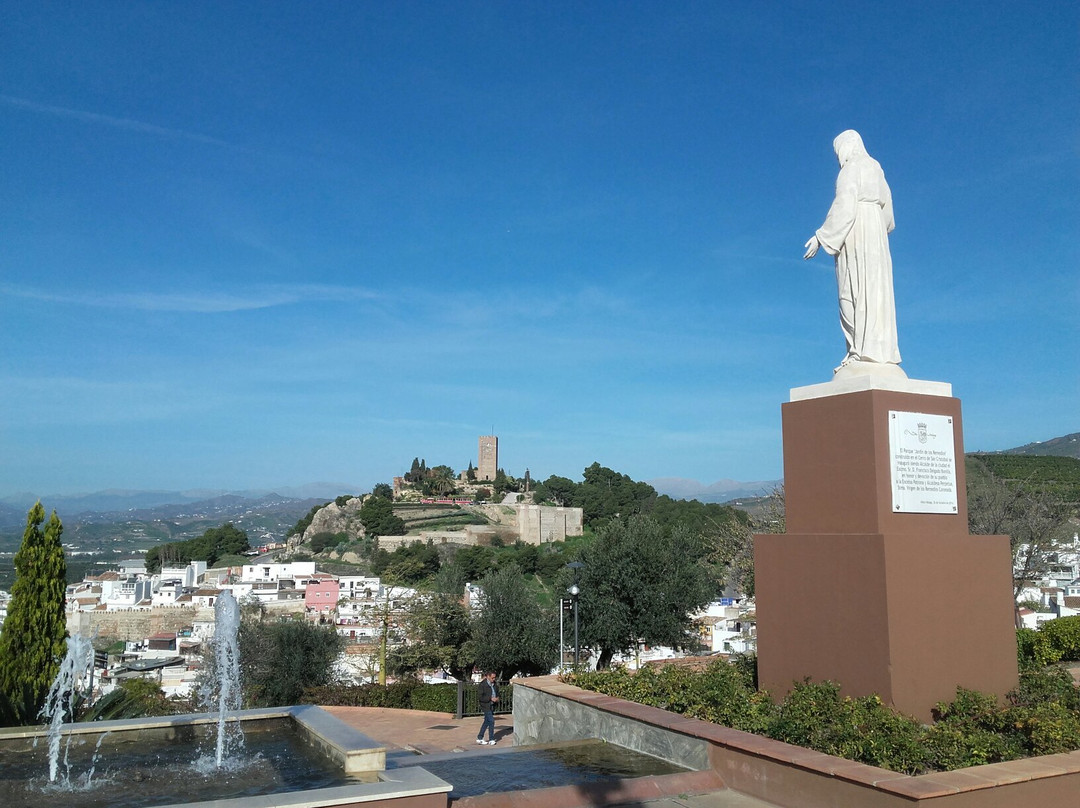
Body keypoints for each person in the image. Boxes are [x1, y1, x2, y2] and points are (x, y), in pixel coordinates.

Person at [804, 130, 902, 375]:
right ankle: (878, 351)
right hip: (876, 235)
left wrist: (820, 236)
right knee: (876, 291)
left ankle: (859, 350)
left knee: (853, 290)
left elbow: (845, 206)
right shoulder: (876, 169)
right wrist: (876, 226)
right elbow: (889, 217)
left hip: (856, 233)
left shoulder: (851, 169)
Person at [475, 670, 499, 745]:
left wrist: (497, 698)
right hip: (485, 705)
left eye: (494, 678)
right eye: (492, 678)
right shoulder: (482, 685)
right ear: (488, 676)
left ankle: (480, 737)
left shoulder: (495, 684)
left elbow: (497, 693)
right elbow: (480, 697)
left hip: (492, 705)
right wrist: (490, 698)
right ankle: (491, 739)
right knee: (491, 721)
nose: (493, 679)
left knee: (486, 722)